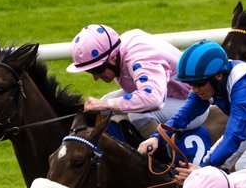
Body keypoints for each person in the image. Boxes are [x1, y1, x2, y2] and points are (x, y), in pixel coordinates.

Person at [137, 41, 246, 171]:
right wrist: (156, 138)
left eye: (198, 83)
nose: (194, 90)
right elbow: (182, 117)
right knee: (212, 160)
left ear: (219, 76)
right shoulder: (210, 82)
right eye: (191, 84)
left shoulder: (244, 86)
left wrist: (203, 172)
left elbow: (234, 135)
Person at [66, 24, 207, 138]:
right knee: (105, 102)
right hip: (169, 97)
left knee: (138, 113)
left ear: (112, 58)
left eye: (96, 70)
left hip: (195, 105)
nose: (96, 77)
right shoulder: (120, 50)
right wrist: (105, 104)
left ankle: (164, 164)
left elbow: (153, 100)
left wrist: (106, 104)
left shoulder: (139, 57)